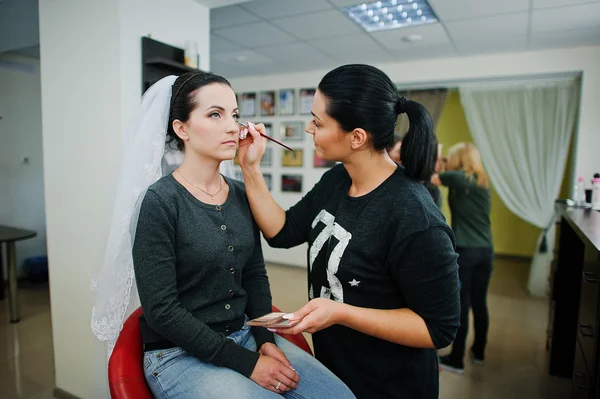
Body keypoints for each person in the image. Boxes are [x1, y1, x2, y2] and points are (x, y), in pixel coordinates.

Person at [105, 72, 355, 399]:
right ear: (182, 129)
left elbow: (254, 275)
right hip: (177, 353)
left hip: (245, 335)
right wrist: (247, 364)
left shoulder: (239, 193)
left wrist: (265, 340)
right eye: (215, 114)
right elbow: (162, 310)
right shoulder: (160, 203)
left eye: (235, 115)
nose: (232, 126)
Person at [238, 64, 460, 398]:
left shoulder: (415, 218)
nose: (310, 129)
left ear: (357, 137)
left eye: (318, 122)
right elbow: (281, 231)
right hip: (337, 369)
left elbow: (439, 329)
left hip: (390, 385)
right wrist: (250, 168)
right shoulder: (337, 179)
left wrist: (342, 313)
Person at [431, 142, 493, 374]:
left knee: (462, 304)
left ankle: (456, 359)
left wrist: (440, 157)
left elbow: (433, 176)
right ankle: (479, 351)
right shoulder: (482, 180)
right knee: (479, 302)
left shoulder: (457, 178)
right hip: (486, 250)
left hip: (466, 250)